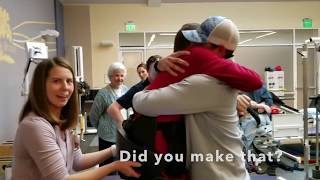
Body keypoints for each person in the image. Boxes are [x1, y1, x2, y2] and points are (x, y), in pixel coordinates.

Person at [133, 16, 260, 180]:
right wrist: (158, 67)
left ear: (219, 49)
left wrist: (159, 70)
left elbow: (141, 103)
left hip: (219, 174)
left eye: (200, 44)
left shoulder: (202, 83)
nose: (195, 50)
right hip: (225, 170)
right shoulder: (218, 77)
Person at [12, 57, 141, 180]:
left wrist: (114, 149)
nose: (65, 87)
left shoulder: (61, 122)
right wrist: (114, 166)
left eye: (69, 81)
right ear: (41, 86)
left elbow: (77, 161)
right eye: (56, 81)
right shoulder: (35, 126)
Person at [90, 62, 130, 167]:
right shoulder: (103, 94)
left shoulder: (126, 90)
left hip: (123, 135)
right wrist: (101, 128)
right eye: (116, 75)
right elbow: (94, 116)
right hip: (107, 136)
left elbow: (128, 110)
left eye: (122, 75)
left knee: (122, 165)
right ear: (110, 77)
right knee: (107, 165)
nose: (119, 78)